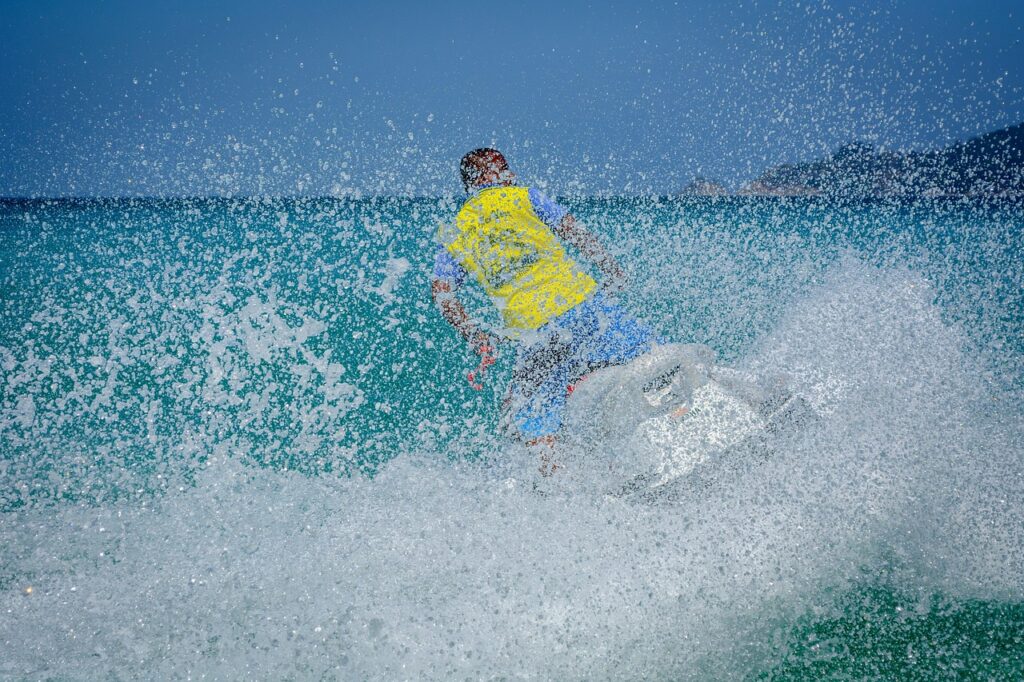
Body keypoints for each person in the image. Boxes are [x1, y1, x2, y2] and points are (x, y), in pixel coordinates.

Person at [431, 148, 661, 474]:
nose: (511, 176)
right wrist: (611, 269)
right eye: (504, 170)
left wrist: (473, 332)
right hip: (586, 307)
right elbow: (575, 231)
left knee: (526, 419)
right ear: (485, 178)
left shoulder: (457, 229)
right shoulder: (525, 197)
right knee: (653, 356)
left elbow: (442, 294)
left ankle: (556, 488)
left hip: (538, 333)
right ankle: (689, 413)